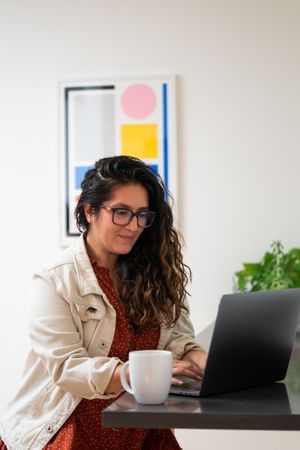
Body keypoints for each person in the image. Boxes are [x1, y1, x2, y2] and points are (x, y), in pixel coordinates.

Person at [0, 156, 207, 449]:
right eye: (121, 212)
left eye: (141, 215)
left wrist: (203, 359)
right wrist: (133, 373)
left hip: (141, 430)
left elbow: (178, 337)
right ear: (90, 211)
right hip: (69, 429)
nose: (134, 226)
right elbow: (67, 368)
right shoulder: (53, 280)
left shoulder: (154, 272)